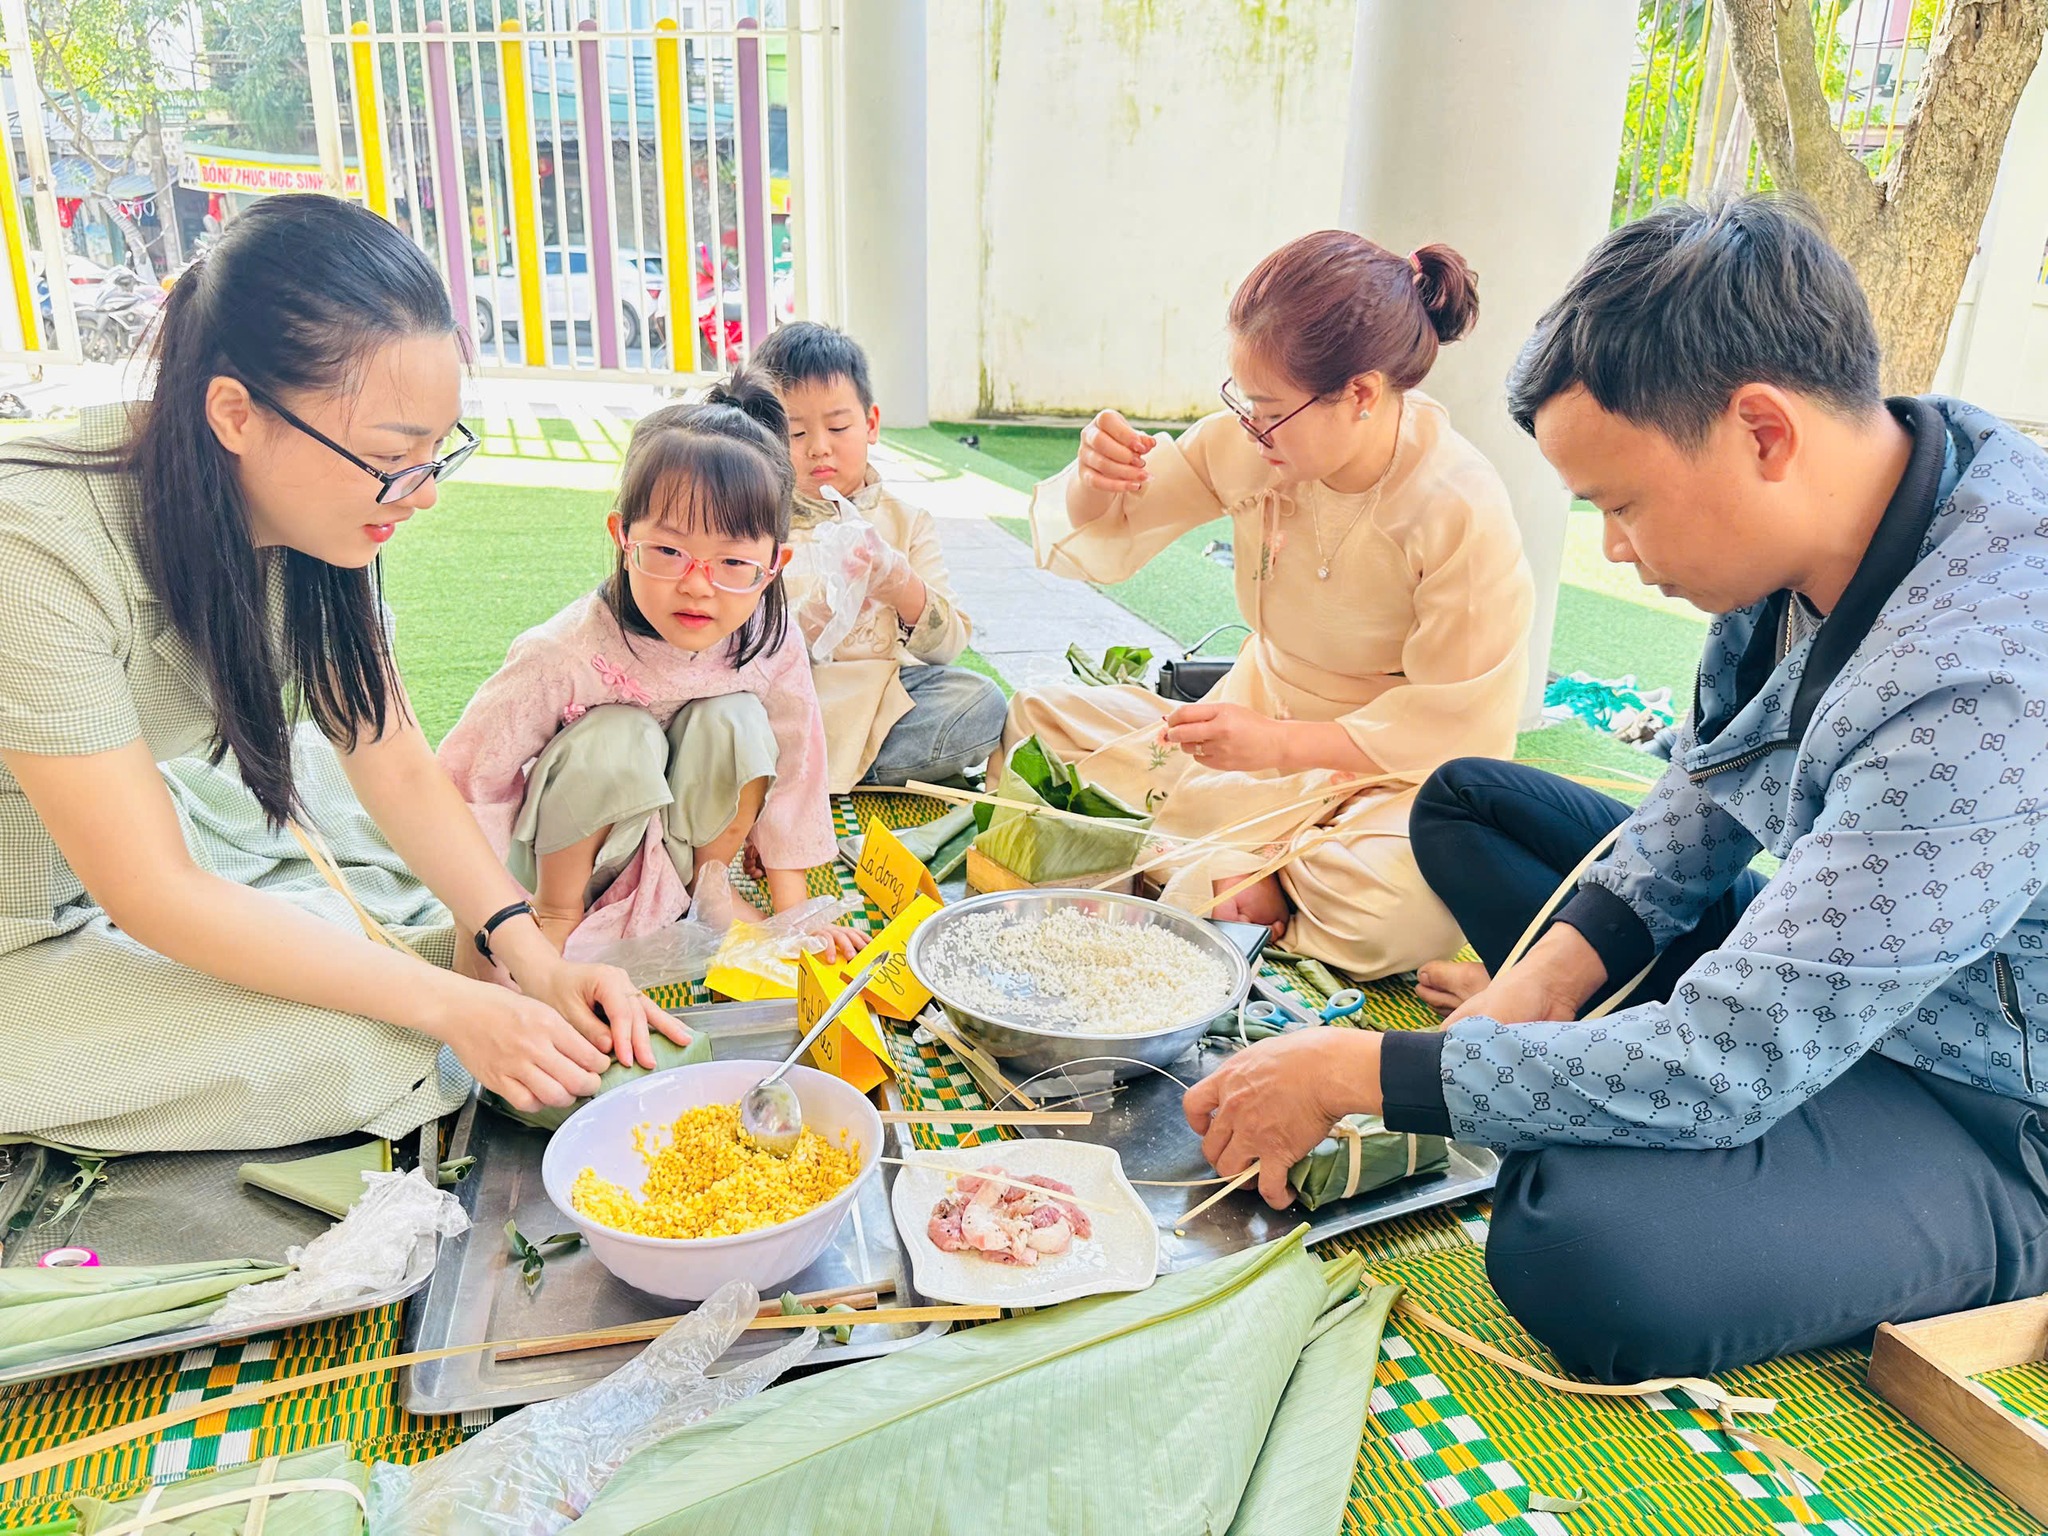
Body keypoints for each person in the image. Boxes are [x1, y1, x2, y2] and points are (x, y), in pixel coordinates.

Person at [1184, 196, 2048, 1383]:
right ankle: (1586, 1053)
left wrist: (1359, 1075)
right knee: (1468, 803)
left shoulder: (1988, 682)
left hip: (1982, 1100)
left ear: (1762, 432)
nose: (1612, 550)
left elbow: (1731, 1057)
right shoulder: (1861, 492)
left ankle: (1993, 1227)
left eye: (1621, 505)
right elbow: (1695, 801)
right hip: (1833, 960)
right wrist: (1532, 991)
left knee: (1582, 1250)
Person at [0, 195, 673, 1152]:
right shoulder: (34, 548)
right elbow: (149, 889)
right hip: (25, 928)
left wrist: (528, 954)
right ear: (234, 413)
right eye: (395, 458)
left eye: (436, 453)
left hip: (108, 860)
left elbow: (392, 758)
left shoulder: (314, 529)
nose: (425, 492)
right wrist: (453, 1010)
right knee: (367, 1051)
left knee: (424, 931)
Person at [1005, 231, 1533, 976]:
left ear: (1361, 395)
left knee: (1393, 911)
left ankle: (1213, 864)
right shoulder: (1253, 442)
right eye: (1242, 398)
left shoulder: (1459, 505)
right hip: (1250, 726)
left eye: (1270, 407)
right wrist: (1098, 477)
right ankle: (1247, 879)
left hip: (1381, 775)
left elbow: (1461, 725)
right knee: (1041, 721)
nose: (1250, 423)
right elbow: (1115, 523)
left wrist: (1280, 748)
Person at [439, 374, 860, 963]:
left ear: (774, 565)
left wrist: (794, 917)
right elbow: (469, 775)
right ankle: (558, 917)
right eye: (668, 551)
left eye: (733, 561)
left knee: (735, 719)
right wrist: (486, 919)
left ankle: (707, 894)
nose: (696, 586)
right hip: (572, 862)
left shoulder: (769, 641)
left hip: (683, 851)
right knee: (620, 735)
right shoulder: (564, 650)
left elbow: (797, 766)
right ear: (622, 537)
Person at [750, 321, 1007, 792]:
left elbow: (947, 647)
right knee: (722, 715)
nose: (819, 447)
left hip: (883, 706)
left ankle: (802, 771)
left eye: (838, 426)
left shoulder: (908, 521)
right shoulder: (758, 522)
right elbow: (737, 651)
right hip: (788, 705)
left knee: (979, 701)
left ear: (870, 425)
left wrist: (899, 584)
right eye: (796, 432)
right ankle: (808, 765)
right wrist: (812, 621)